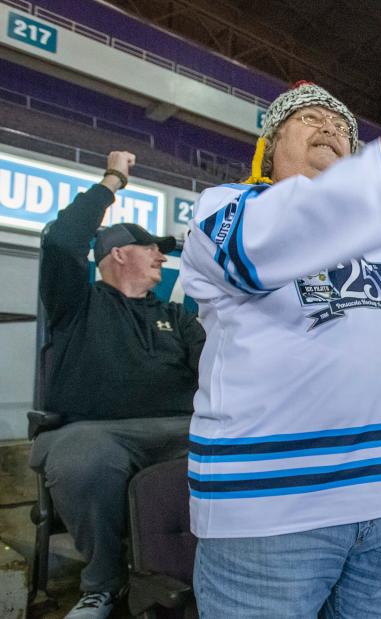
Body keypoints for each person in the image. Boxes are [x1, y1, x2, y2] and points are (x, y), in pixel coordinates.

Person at [180, 25, 381, 617]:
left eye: (343, 126)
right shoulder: (226, 209)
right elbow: (270, 240)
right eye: (308, 118)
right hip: (268, 520)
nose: (332, 127)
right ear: (269, 145)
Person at [29, 151, 205, 619]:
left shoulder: (175, 316)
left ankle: (209, 575)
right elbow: (64, 242)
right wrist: (113, 181)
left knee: (232, 446)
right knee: (84, 460)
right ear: (118, 253)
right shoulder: (76, 304)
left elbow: (213, 368)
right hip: (96, 431)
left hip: (180, 429)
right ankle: (101, 586)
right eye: (151, 248)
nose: (161, 256)